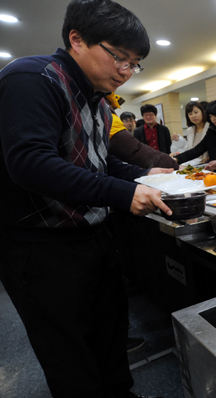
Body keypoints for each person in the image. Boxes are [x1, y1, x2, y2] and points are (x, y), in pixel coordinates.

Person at [0, 1, 172, 397]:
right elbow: (29, 162)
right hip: (41, 247)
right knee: (70, 354)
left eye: (135, 64)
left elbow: (96, 163)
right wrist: (123, 192)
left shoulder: (94, 98)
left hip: (93, 235)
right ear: (76, 39)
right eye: (119, 58)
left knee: (110, 333)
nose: (126, 72)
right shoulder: (32, 78)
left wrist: (143, 174)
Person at [107, 95, 179, 170]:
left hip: (163, 160)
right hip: (147, 162)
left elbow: (168, 145)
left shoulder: (164, 129)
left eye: (151, 115)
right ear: (142, 116)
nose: (148, 117)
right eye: (145, 115)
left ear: (155, 115)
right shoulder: (138, 131)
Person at [173, 100, 216, 171]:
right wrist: (177, 158)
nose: (213, 119)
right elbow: (197, 149)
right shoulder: (211, 132)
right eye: (211, 116)